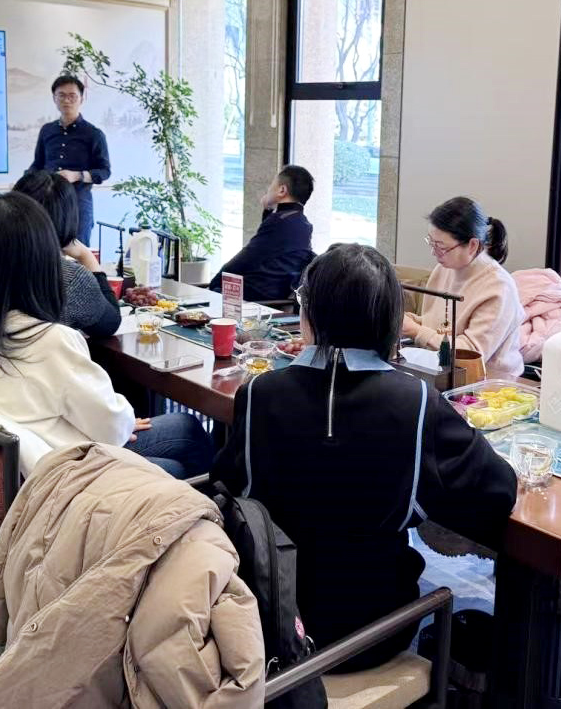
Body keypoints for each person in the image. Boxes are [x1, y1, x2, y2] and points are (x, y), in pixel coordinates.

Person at [212, 243, 518, 669]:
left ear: (309, 314)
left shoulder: (260, 393)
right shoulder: (417, 402)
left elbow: (227, 489)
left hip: (272, 621)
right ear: (390, 321)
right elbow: (499, 491)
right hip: (376, 631)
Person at [0, 192, 213, 479]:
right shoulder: (48, 340)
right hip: (65, 475)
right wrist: (121, 421)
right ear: (41, 263)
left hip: (17, 469)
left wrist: (118, 422)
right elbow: (109, 427)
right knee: (182, 449)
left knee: (184, 430)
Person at [402, 197, 523, 378]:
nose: (434, 252)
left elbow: (470, 354)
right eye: (431, 242)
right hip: (442, 370)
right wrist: (411, 321)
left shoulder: (499, 288)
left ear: (472, 245)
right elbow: (440, 326)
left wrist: (416, 330)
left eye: (441, 246)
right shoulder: (445, 268)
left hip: (488, 381)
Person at [12, 170, 121, 337]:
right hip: (48, 355)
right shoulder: (70, 279)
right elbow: (110, 323)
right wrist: (86, 256)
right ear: (68, 217)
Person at [208, 165, 315, 302]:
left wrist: (216, 281)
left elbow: (246, 258)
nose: (268, 190)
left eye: (271, 185)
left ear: (282, 190)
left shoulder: (278, 222)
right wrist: (268, 210)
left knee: (217, 289)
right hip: (278, 293)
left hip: (258, 295)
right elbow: (269, 246)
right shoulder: (303, 224)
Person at [28, 74, 111, 246]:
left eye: (72, 96)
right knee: (46, 249)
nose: (67, 100)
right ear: (54, 98)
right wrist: (24, 183)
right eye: (61, 95)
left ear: (81, 98)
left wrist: (77, 175)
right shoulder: (47, 130)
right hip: (47, 201)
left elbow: (104, 171)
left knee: (78, 251)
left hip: (78, 203)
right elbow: (37, 165)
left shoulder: (94, 134)